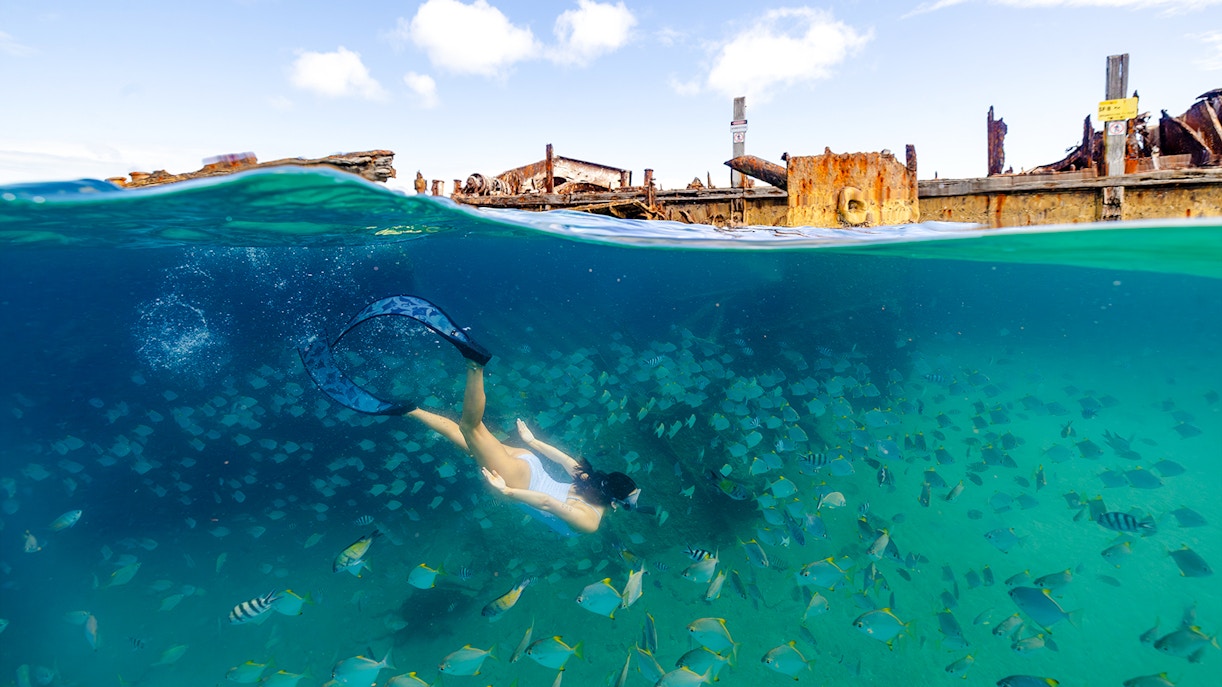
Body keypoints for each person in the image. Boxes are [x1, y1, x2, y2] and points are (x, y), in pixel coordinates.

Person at [406, 360, 639, 535]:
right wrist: (507, 492)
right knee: (471, 428)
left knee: (470, 443)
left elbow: (563, 459)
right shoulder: (590, 521)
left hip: (529, 462)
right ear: (614, 503)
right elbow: (548, 503)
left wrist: (532, 442)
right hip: (519, 481)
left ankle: (408, 410)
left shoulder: (591, 480)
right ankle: (475, 364)